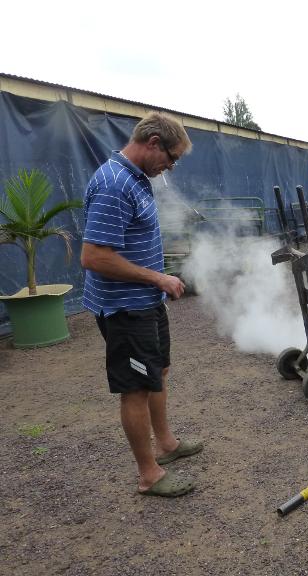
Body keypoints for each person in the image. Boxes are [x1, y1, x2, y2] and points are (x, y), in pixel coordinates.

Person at [80, 113, 202, 497]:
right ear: (152, 142)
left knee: (158, 371)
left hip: (146, 302)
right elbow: (94, 257)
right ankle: (149, 474)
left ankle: (165, 444)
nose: (171, 166)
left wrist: (156, 281)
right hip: (125, 308)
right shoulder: (114, 184)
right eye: (172, 157)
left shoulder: (137, 178)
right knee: (135, 388)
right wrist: (158, 278)